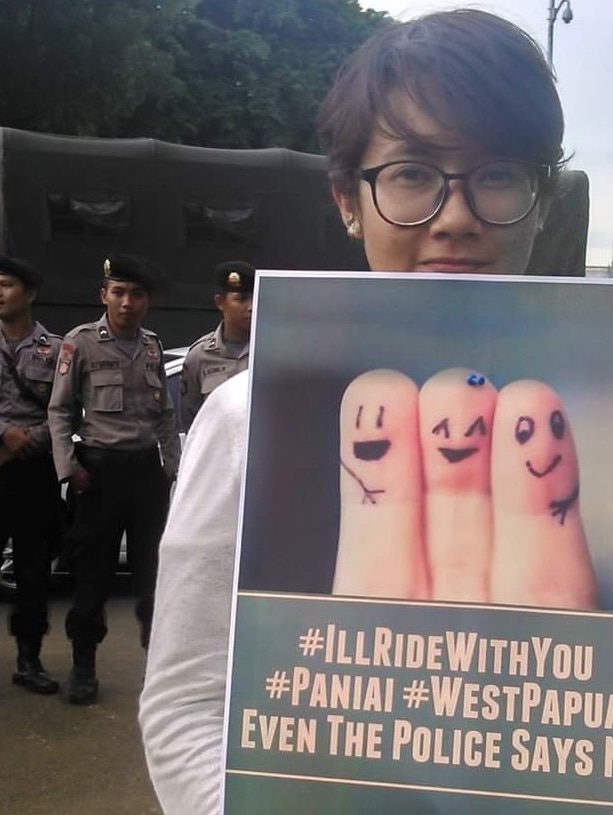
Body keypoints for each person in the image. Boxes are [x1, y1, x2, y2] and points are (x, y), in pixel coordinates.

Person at [140, 9, 578, 812]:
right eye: (410, 172)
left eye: (497, 173)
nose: (455, 215)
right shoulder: (246, 416)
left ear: (540, 197)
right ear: (348, 199)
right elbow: (186, 703)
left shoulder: (586, 424)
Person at [48, 252, 180, 705]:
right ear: (103, 295)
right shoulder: (79, 343)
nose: (127, 302)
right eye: (118, 292)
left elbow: (164, 413)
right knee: (93, 579)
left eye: (137, 294)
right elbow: (60, 411)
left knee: (153, 578)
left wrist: (172, 468)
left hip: (145, 475)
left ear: (148, 301)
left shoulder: (152, 346)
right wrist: (69, 469)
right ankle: (83, 667)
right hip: (99, 474)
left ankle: (157, 672)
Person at [0, 256, 62, 694]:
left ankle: (29, 660)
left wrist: (30, 440)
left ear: (30, 294)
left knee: (33, 570)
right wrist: (5, 433)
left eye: (5, 284)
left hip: (33, 472)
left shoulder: (56, 350)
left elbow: (66, 411)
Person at [180, 260, 254, 432]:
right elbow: (191, 421)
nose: (251, 307)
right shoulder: (200, 356)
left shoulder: (270, 352)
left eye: (255, 298)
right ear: (220, 302)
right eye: (241, 299)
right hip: (218, 454)